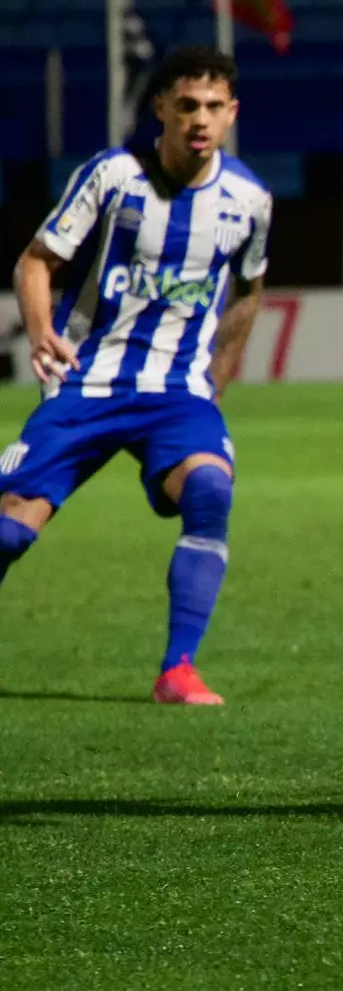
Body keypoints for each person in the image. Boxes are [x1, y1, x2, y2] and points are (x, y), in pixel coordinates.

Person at [0, 47, 271, 704]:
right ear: (161, 109)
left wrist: (216, 384)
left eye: (213, 107)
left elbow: (248, 293)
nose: (200, 119)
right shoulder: (113, 175)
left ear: (232, 114)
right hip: (87, 381)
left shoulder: (249, 200)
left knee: (210, 490)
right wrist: (41, 330)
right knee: (10, 530)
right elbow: (36, 261)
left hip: (177, 393)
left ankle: (178, 670)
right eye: (187, 106)